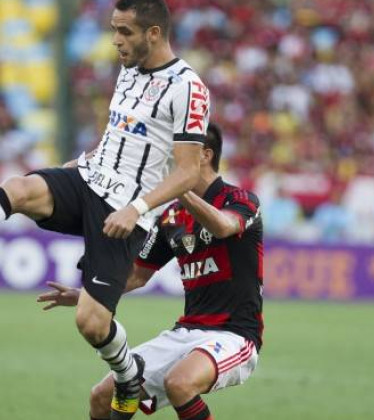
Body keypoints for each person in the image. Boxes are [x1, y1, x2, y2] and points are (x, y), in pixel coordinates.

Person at [0, 1, 211, 418]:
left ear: (153, 33)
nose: (115, 40)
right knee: (20, 188)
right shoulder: (129, 68)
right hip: (88, 180)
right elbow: (122, 134)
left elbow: (187, 172)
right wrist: (81, 162)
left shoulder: (189, 87)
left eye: (124, 32)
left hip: (125, 212)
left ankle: (128, 375)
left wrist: (136, 209)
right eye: (113, 29)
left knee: (92, 323)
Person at [38, 124, 263, 420]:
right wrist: (87, 296)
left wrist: (177, 186)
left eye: (178, 152)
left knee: (180, 384)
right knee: (102, 397)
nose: (169, 159)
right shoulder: (171, 215)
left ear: (204, 155)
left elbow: (222, 226)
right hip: (186, 331)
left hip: (235, 334)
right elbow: (138, 275)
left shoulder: (241, 200)